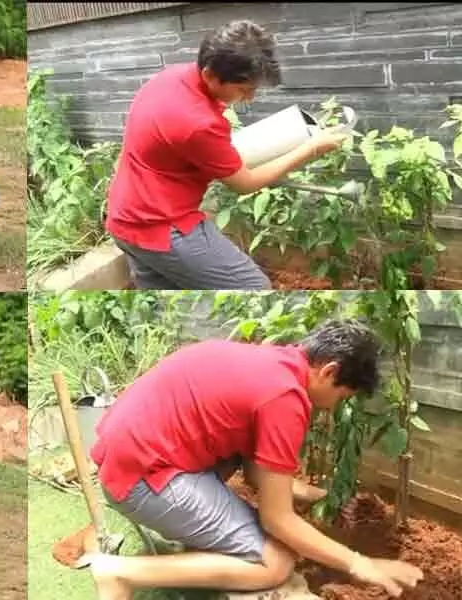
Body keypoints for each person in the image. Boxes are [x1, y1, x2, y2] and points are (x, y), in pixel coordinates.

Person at [83, 320, 424, 599]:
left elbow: (255, 470)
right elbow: (277, 519)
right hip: (141, 479)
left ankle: (194, 541)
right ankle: (121, 573)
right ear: (329, 371)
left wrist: (318, 496)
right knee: (275, 562)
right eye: (342, 395)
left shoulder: (273, 361)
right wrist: (358, 563)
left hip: (131, 456)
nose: (334, 406)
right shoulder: (285, 398)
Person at [105, 20, 350, 289]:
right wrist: (311, 149)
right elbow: (245, 183)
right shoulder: (197, 122)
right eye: (245, 90)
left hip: (123, 217)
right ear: (210, 75)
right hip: (161, 228)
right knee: (255, 288)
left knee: (164, 291)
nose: (250, 98)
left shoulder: (172, 77)